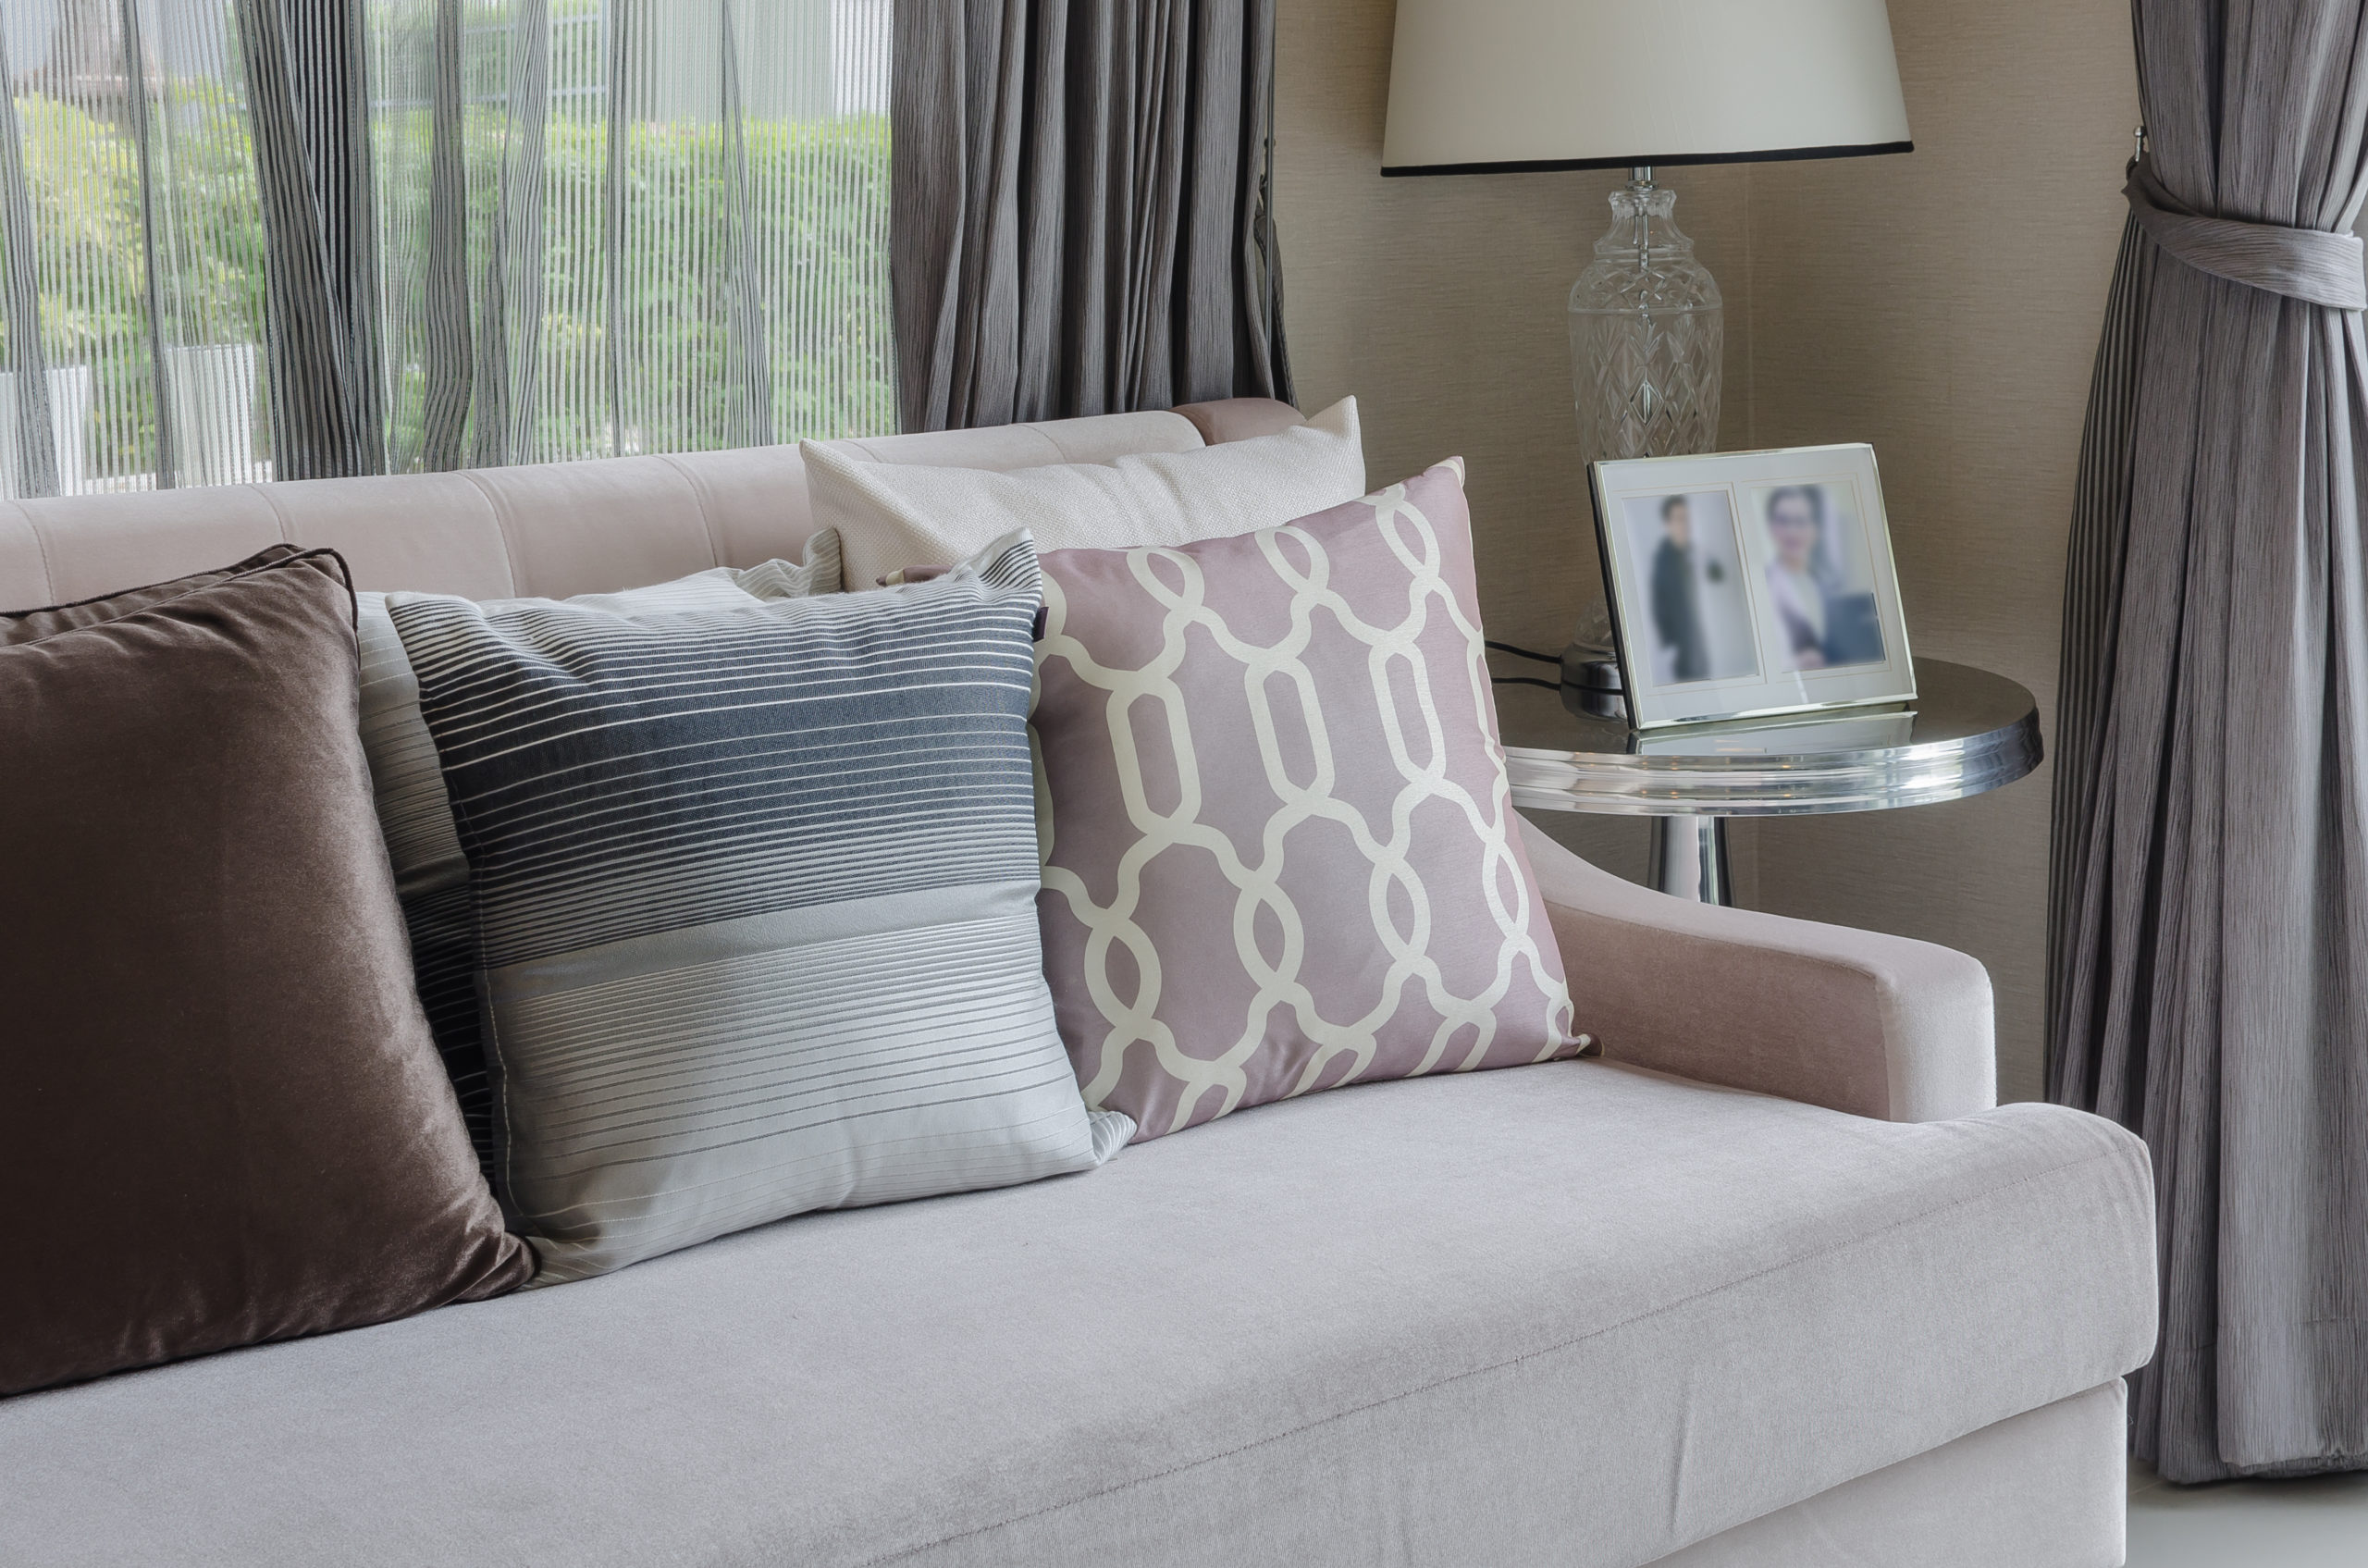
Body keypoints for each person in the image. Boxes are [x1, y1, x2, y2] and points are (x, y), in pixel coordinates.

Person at [1761, 486, 1883, 672]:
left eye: (1800, 521)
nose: (1792, 531)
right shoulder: (1762, 587)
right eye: (1783, 520)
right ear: (1771, 527)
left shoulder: (1824, 584)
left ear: (1815, 530)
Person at [1647, 494, 1708, 682]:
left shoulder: (1696, 553)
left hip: (1703, 652)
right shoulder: (1664, 563)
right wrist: (1672, 647)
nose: (1686, 525)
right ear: (1668, 525)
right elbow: (1660, 610)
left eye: (1687, 519)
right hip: (1684, 659)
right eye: (1680, 519)